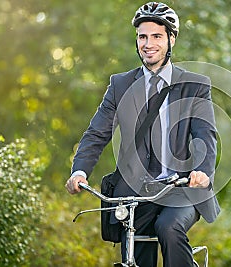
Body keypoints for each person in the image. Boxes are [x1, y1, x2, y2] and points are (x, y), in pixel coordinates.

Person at [65, 2, 220, 266]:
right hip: (136, 193)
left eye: (157, 36)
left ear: (171, 39)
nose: (148, 44)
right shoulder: (120, 85)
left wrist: (202, 171)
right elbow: (97, 133)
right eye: (142, 37)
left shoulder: (194, 86)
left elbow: (205, 136)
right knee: (135, 253)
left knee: (169, 228)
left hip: (180, 189)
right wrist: (79, 171)